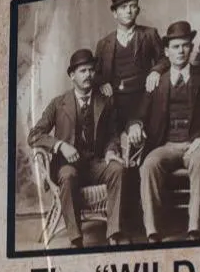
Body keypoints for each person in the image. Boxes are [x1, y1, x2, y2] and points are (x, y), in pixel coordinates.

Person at [126, 21, 200, 242]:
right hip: (167, 145)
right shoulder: (157, 82)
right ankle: (153, 231)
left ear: (191, 48)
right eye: (175, 47)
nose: (181, 51)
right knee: (149, 165)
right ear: (166, 51)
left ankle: (195, 228)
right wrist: (134, 125)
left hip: (197, 144)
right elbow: (137, 115)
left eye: (185, 46)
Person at [28, 48, 127, 247]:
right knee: (67, 175)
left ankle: (113, 232)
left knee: (117, 169)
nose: (88, 75)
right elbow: (34, 135)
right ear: (72, 75)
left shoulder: (104, 102)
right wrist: (60, 145)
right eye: (82, 71)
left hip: (96, 164)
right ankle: (76, 238)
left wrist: (110, 151)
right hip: (68, 166)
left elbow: (113, 134)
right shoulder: (58, 104)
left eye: (91, 70)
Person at [94, 0, 164, 129]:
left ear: (137, 10)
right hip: (115, 102)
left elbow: (165, 58)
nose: (129, 11)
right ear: (114, 13)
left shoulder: (149, 34)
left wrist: (156, 70)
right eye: (124, 7)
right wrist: (102, 83)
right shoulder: (104, 43)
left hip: (144, 98)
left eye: (132, 6)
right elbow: (95, 73)